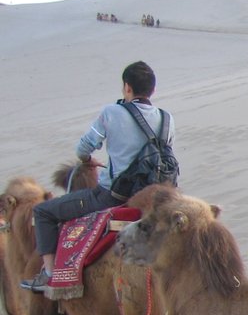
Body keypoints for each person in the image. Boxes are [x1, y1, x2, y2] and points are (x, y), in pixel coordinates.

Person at [21, 61, 172, 294]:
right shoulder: (166, 118)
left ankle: (49, 276)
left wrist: (88, 160)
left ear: (127, 87)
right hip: (156, 197)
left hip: (113, 196)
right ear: (153, 89)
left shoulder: (112, 112)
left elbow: (83, 148)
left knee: (43, 212)